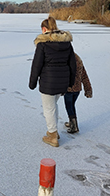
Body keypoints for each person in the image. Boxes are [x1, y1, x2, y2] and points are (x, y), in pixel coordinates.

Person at [29, 16, 76, 147]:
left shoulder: (42, 44)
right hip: (63, 83)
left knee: (49, 109)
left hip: (48, 83)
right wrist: (70, 82)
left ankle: (52, 135)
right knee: (53, 106)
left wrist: (32, 83)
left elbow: (36, 66)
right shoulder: (66, 43)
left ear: (44, 29)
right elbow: (73, 64)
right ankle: (53, 131)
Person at [64, 53, 93, 134]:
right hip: (77, 89)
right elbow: (84, 76)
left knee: (69, 107)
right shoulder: (79, 61)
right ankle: (71, 122)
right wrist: (88, 89)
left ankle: (74, 127)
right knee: (71, 105)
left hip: (69, 89)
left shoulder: (66, 61)